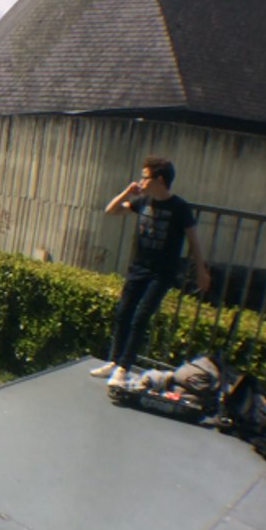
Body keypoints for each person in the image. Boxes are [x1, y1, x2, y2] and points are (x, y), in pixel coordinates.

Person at [92, 156, 210, 387]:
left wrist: (201, 271)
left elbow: (193, 241)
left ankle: (124, 368)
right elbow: (111, 210)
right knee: (123, 313)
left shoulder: (179, 208)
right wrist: (128, 192)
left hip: (161, 273)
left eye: (145, 177)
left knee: (140, 317)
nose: (141, 181)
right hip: (138, 268)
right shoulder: (143, 200)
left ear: (159, 179)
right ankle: (114, 361)